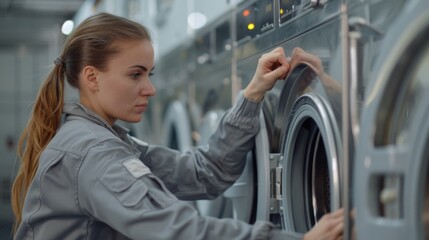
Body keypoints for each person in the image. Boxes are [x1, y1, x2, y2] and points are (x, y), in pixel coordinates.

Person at [11, 13, 343, 240]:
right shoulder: (94, 153)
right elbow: (179, 231)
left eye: (149, 74)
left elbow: (205, 173)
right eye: (135, 74)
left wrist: (253, 93)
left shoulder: (109, 141)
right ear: (92, 78)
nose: (150, 89)